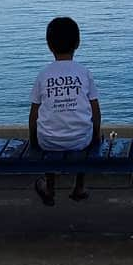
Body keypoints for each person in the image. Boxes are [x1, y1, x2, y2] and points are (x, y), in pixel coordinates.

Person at [28, 16, 101, 206]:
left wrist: (34, 142)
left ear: (49, 45)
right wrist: (95, 138)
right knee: (85, 130)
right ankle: (79, 186)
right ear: (77, 43)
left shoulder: (43, 74)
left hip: (48, 140)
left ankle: (50, 187)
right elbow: (95, 112)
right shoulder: (84, 72)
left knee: (51, 128)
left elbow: (34, 114)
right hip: (80, 140)